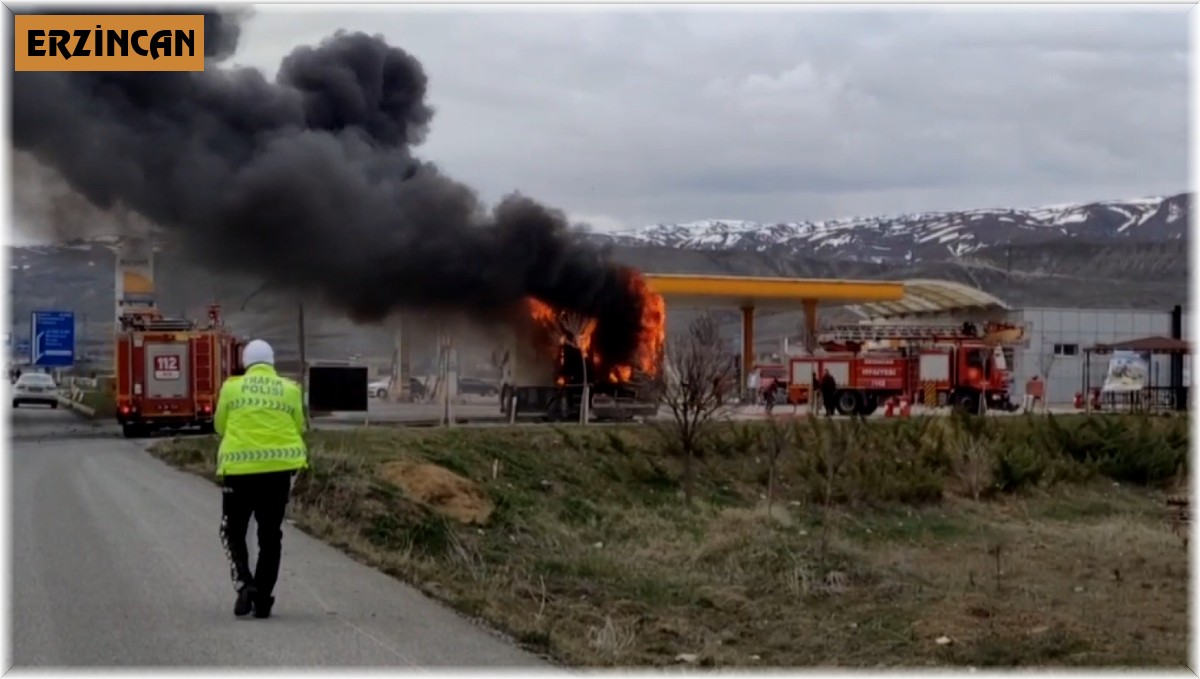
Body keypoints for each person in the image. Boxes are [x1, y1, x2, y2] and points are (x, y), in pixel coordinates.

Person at [214, 339, 308, 619]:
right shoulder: (290, 389)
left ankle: (245, 584)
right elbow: (299, 426)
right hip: (278, 473)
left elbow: (219, 425)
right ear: (271, 361)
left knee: (232, 531)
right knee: (270, 536)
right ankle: (264, 599)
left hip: (239, 473)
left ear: (245, 362)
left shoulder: (231, 388)